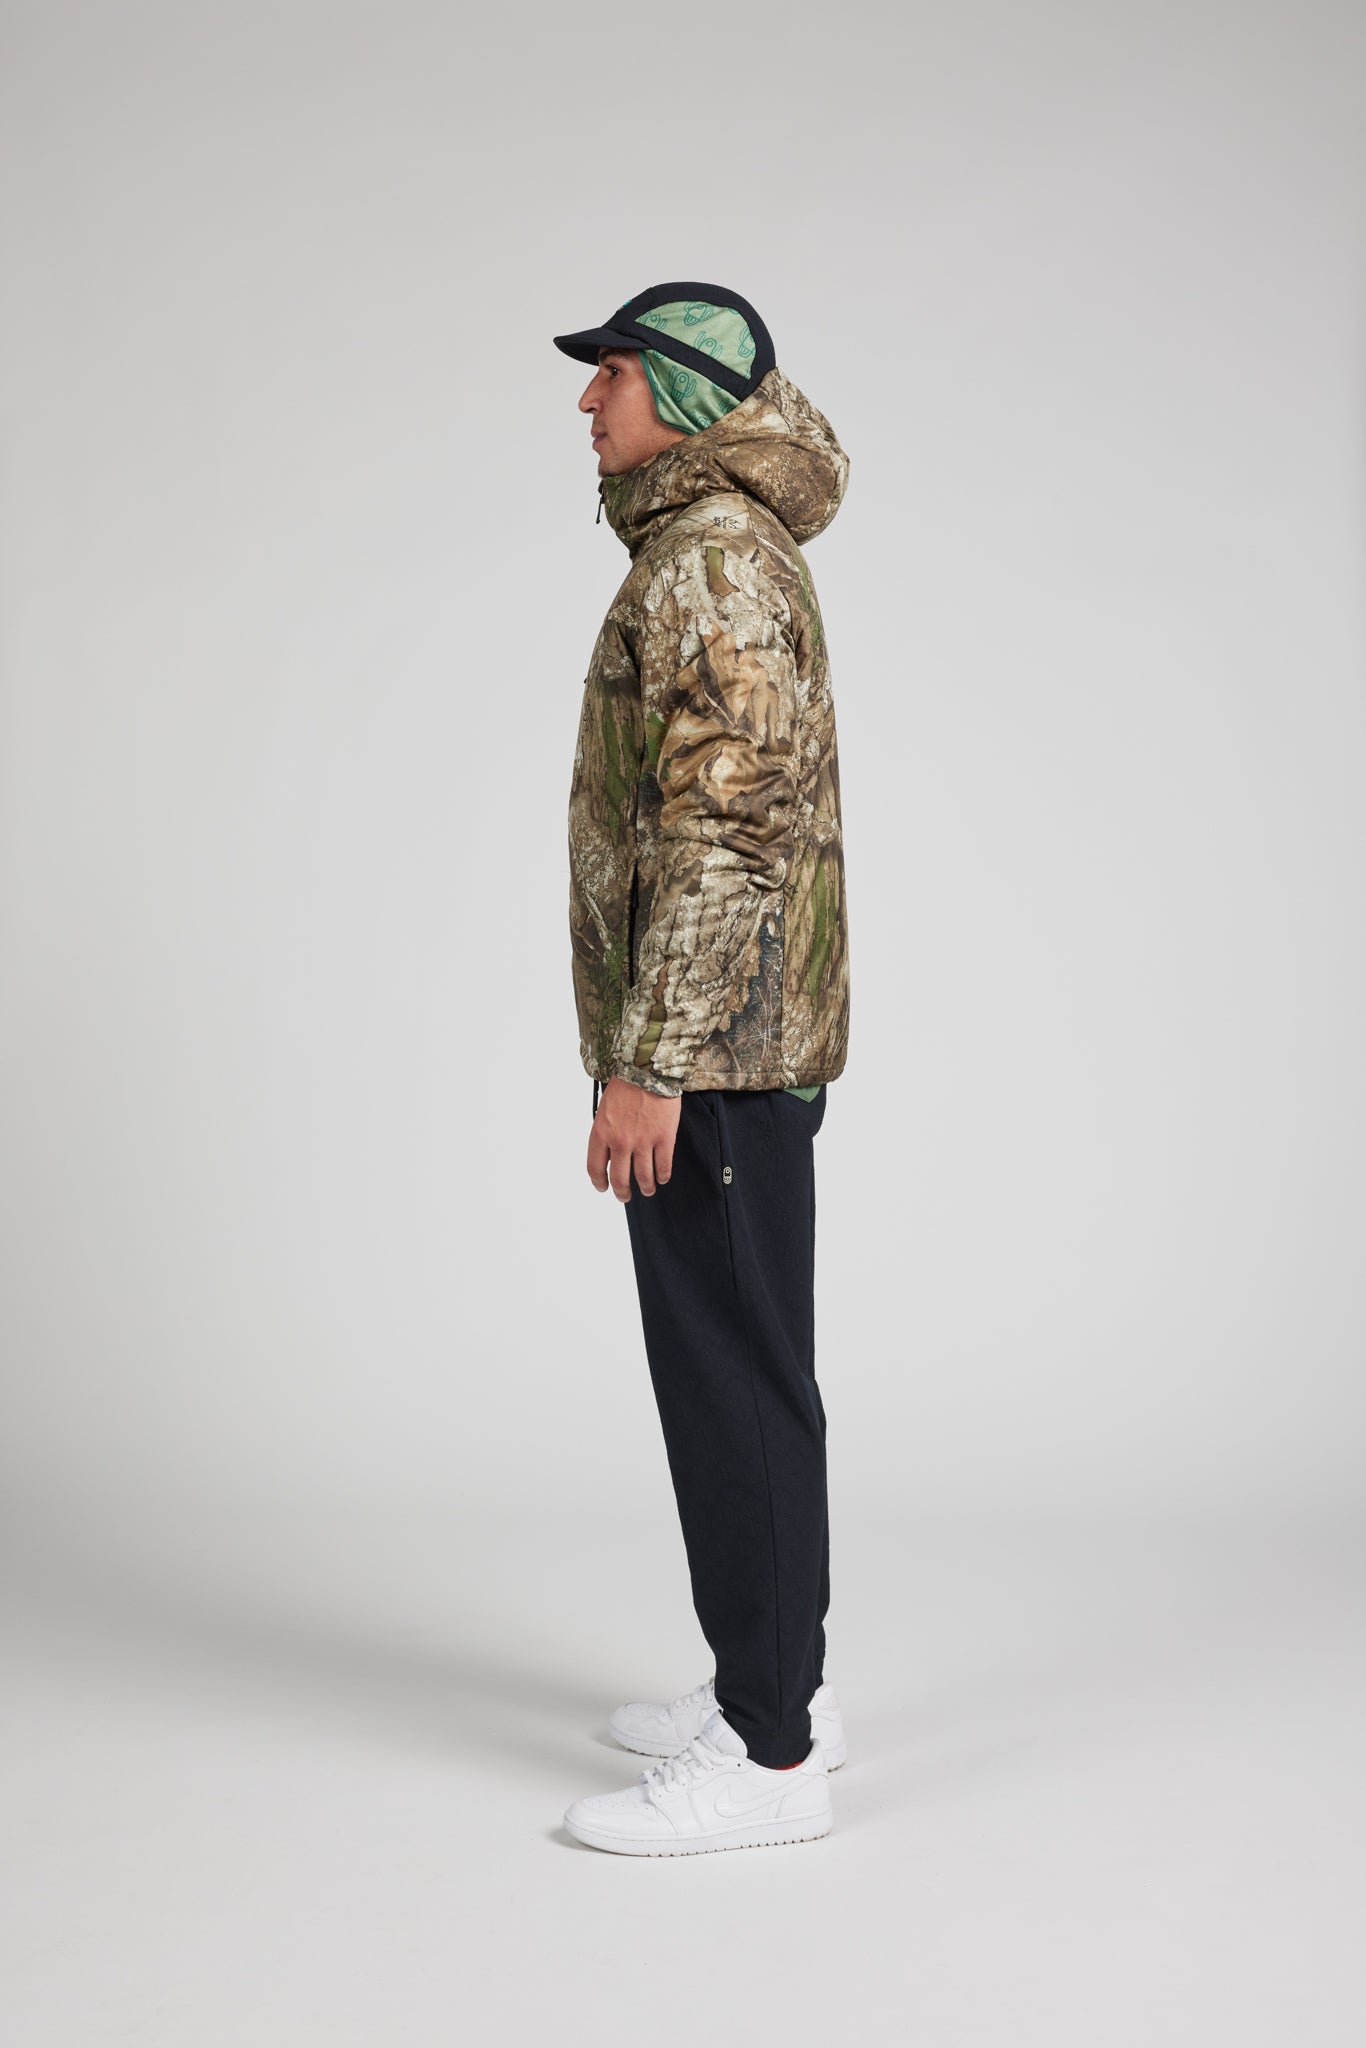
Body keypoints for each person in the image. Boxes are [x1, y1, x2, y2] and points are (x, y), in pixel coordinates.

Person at [554, 283, 852, 1855]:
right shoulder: (706, 547)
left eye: (607, 374)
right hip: (724, 1036)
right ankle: (774, 1679)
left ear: (674, 390)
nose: (584, 403)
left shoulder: (713, 560)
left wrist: (649, 1065)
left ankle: (771, 1755)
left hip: (714, 1049)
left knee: (731, 1378)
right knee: (745, 1365)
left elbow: (728, 825)